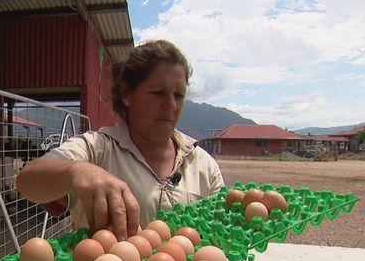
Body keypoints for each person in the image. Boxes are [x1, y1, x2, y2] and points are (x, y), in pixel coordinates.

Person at [16, 40, 224, 242]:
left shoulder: (203, 164)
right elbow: (27, 180)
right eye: (158, 93)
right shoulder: (98, 149)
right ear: (127, 95)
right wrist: (76, 172)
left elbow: (221, 237)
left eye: (178, 95)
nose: (170, 104)